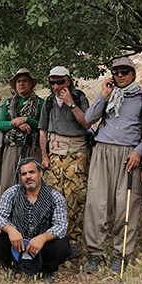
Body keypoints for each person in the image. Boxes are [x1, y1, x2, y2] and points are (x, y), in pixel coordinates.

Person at [83, 57, 142, 274]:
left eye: (124, 71)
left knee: (126, 206)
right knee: (97, 203)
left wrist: (138, 152)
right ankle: (95, 254)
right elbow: (89, 118)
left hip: (128, 155)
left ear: (133, 73)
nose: (119, 75)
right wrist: (103, 95)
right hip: (102, 151)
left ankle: (120, 255)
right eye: (116, 72)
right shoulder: (108, 94)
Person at [0, 158, 71, 282]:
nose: (28, 176)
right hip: (17, 244)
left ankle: (46, 270)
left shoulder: (55, 197)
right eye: (24, 174)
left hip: (42, 246)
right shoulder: (12, 192)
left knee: (62, 245)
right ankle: (16, 266)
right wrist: (11, 230)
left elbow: (61, 226)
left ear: (41, 173)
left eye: (32, 172)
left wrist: (43, 238)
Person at [39, 66, 90, 258]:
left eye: (60, 82)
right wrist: (44, 156)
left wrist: (70, 103)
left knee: (75, 196)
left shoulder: (78, 97)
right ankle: (54, 237)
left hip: (76, 154)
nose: (56, 86)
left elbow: (86, 123)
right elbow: (43, 130)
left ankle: (74, 240)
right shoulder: (49, 102)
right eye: (52, 82)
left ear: (68, 81)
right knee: (53, 197)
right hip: (54, 155)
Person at [0, 68, 44, 195]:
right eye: (18, 81)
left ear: (31, 84)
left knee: (32, 184)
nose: (21, 84)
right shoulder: (8, 103)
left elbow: (44, 125)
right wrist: (17, 124)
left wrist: (27, 120)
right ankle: (10, 213)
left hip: (33, 148)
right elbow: (1, 124)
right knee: (9, 183)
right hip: (12, 148)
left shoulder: (40, 103)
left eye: (24, 81)